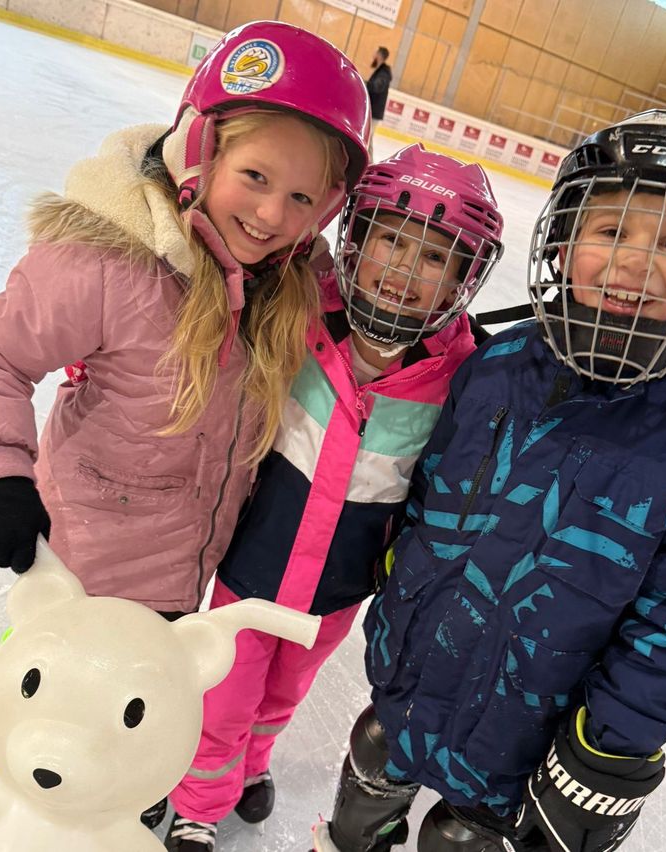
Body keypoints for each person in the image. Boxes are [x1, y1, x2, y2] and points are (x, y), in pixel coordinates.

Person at [312, 110, 666, 852]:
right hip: (412, 678)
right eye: (611, 231)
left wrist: (609, 750)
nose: (633, 263)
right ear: (562, 242)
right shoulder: (492, 369)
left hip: (530, 734)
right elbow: (427, 502)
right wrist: (399, 604)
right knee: (372, 763)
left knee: (461, 838)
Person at [0, 18, 369, 821]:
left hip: (182, 583)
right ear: (201, 152)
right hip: (78, 576)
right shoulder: (113, 265)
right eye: (254, 175)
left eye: (301, 197)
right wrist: (1, 475)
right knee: (17, 732)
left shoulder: (284, 290)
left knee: (116, 742)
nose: (272, 213)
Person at [163, 142, 505, 852]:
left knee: (281, 697)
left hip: (337, 590)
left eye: (435, 257)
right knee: (224, 695)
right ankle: (199, 801)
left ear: (462, 279)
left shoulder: (462, 376)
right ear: (356, 237)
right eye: (390, 240)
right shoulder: (300, 309)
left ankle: (251, 767)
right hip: (251, 567)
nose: (406, 270)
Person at [366, 47, 392, 159]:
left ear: (379, 55)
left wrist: (365, 83)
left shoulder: (383, 73)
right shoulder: (381, 71)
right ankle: (369, 162)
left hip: (375, 111)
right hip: (373, 110)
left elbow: (377, 87)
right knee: (368, 137)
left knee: (367, 137)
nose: (373, 54)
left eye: (375, 52)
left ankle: (369, 162)